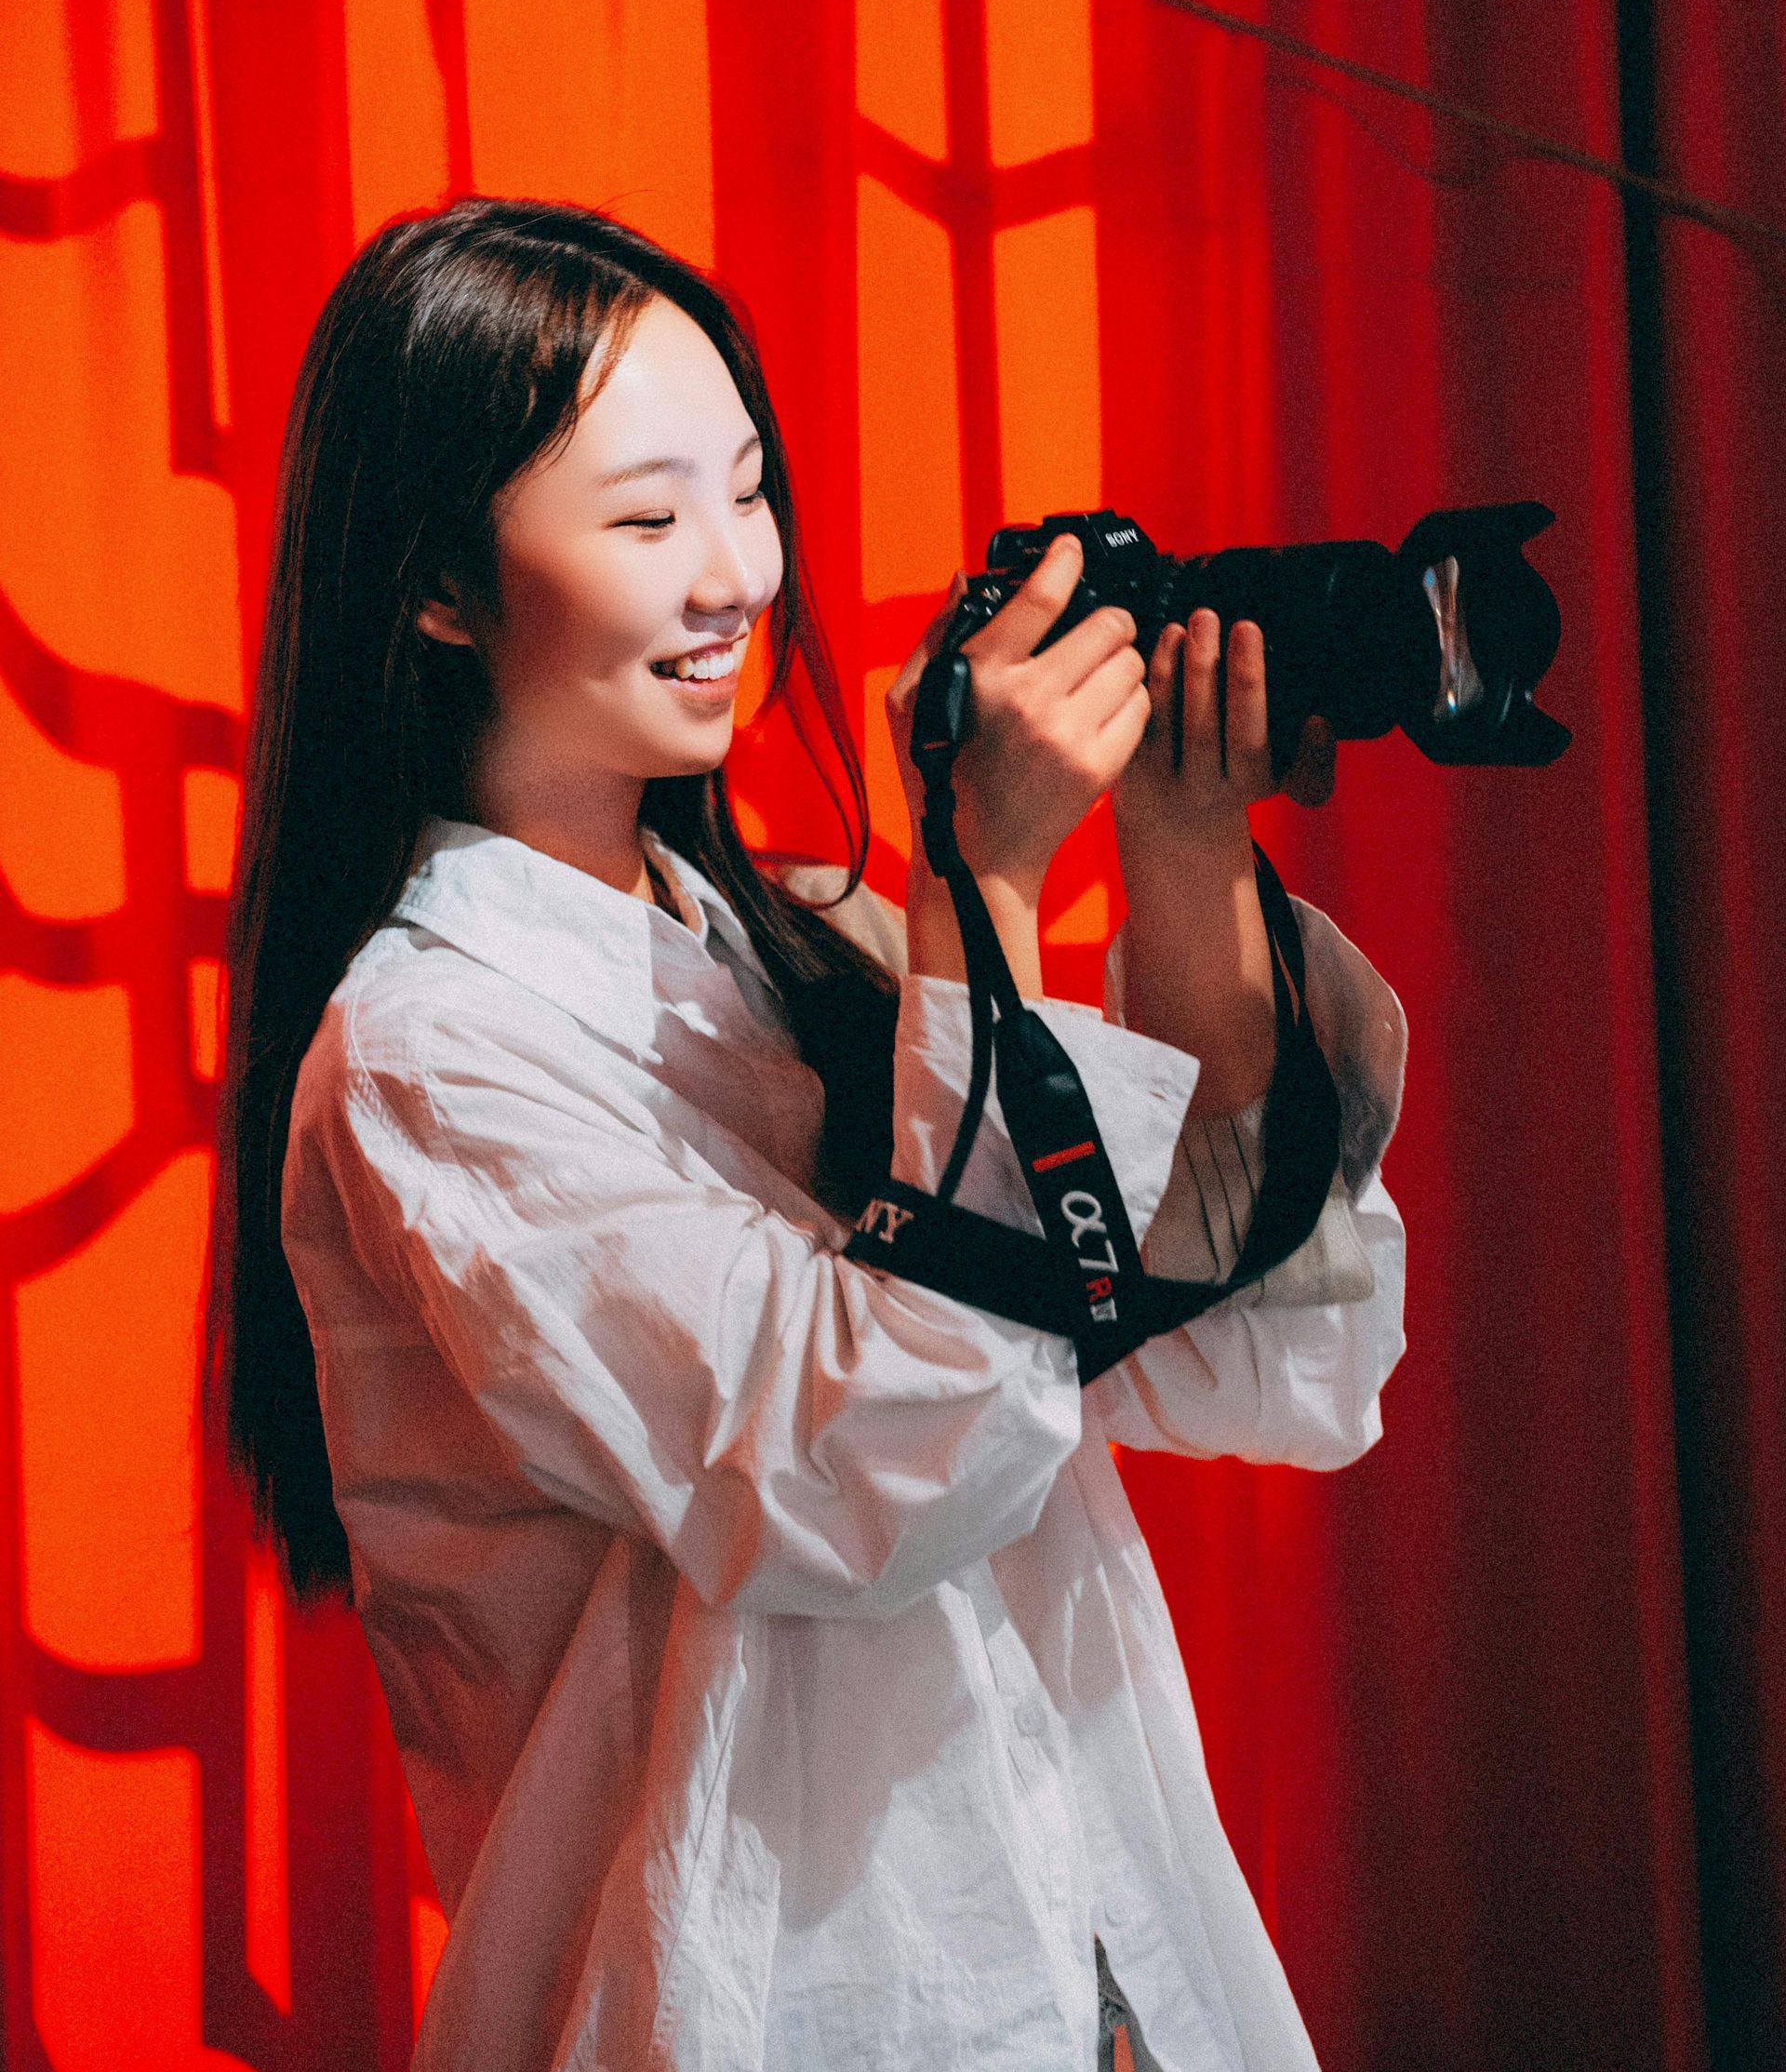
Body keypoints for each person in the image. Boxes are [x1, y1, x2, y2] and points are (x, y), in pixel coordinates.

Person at [210, 195, 1408, 2072]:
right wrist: (979, 893)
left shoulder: (805, 951)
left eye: (749, 491)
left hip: (1093, 1963)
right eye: (644, 515)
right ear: (439, 582)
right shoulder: (428, 1058)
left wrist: (1182, 850)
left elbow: (1256, 1347)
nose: (734, 573)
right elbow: (864, 1474)